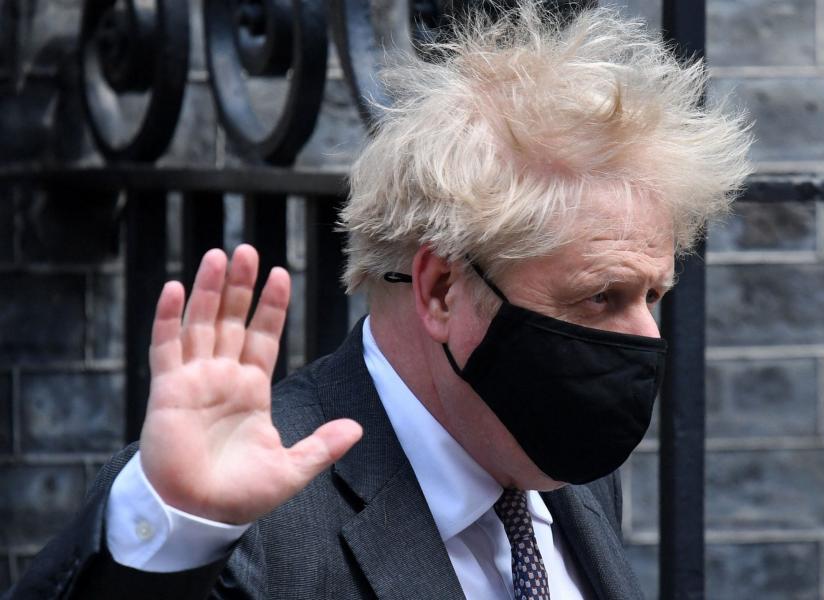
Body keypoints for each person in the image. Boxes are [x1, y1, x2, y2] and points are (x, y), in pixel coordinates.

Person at [5, 3, 751, 598]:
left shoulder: (559, 471)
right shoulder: (245, 516)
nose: (645, 338)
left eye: (654, 294)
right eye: (602, 296)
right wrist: (179, 532)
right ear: (440, 287)